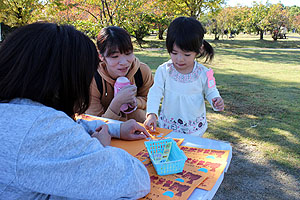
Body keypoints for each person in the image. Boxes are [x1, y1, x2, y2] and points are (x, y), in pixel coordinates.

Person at [0, 22, 150, 199]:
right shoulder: (40, 128)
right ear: (65, 79)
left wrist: (116, 129)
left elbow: (73, 125)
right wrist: (99, 146)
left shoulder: (16, 110)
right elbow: (135, 180)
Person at [144, 17, 224, 137]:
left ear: (199, 50)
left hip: (195, 129)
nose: (179, 59)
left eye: (187, 54)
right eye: (174, 53)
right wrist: (151, 114)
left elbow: (211, 91)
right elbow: (155, 93)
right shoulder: (164, 70)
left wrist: (216, 99)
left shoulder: (205, 73)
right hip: (168, 127)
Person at [85, 26, 154, 123]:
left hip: (139, 130)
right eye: (115, 56)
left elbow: (151, 100)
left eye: (128, 53)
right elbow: (94, 124)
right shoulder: (93, 79)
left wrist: (136, 102)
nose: (124, 62)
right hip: (107, 134)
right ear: (101, 56)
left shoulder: (142, 71)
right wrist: (117, 103)